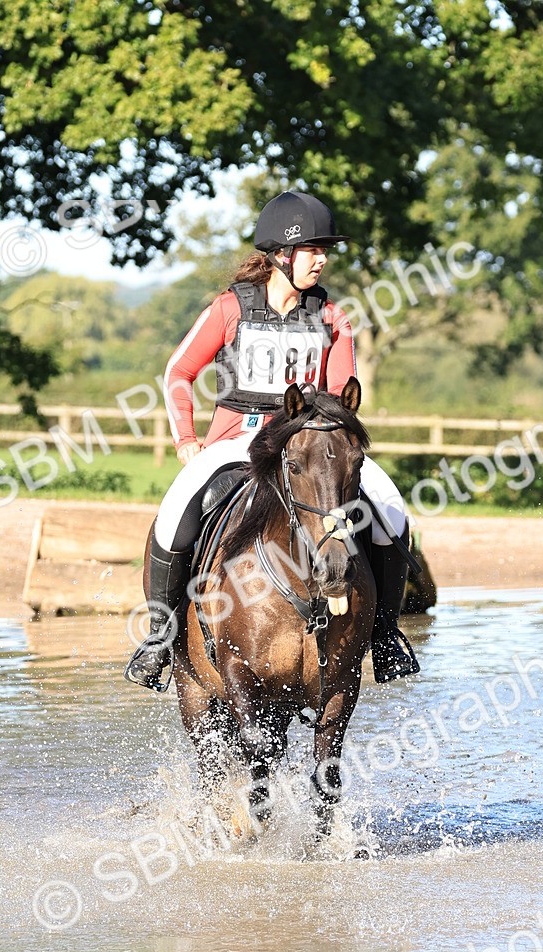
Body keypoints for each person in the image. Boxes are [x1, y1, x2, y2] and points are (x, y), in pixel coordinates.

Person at [125, 190, 420, 691]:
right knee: (177, 509)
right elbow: (179, 371)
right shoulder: (229, 308)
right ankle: (160, 637)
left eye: (325, 249)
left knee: (390, 509)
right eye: (313, 249)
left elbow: (338, 398)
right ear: (282, 254)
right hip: (235, 443)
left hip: (304, 446)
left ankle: (386, 635)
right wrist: (186, 441)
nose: (322, 259)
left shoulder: (333, 317)